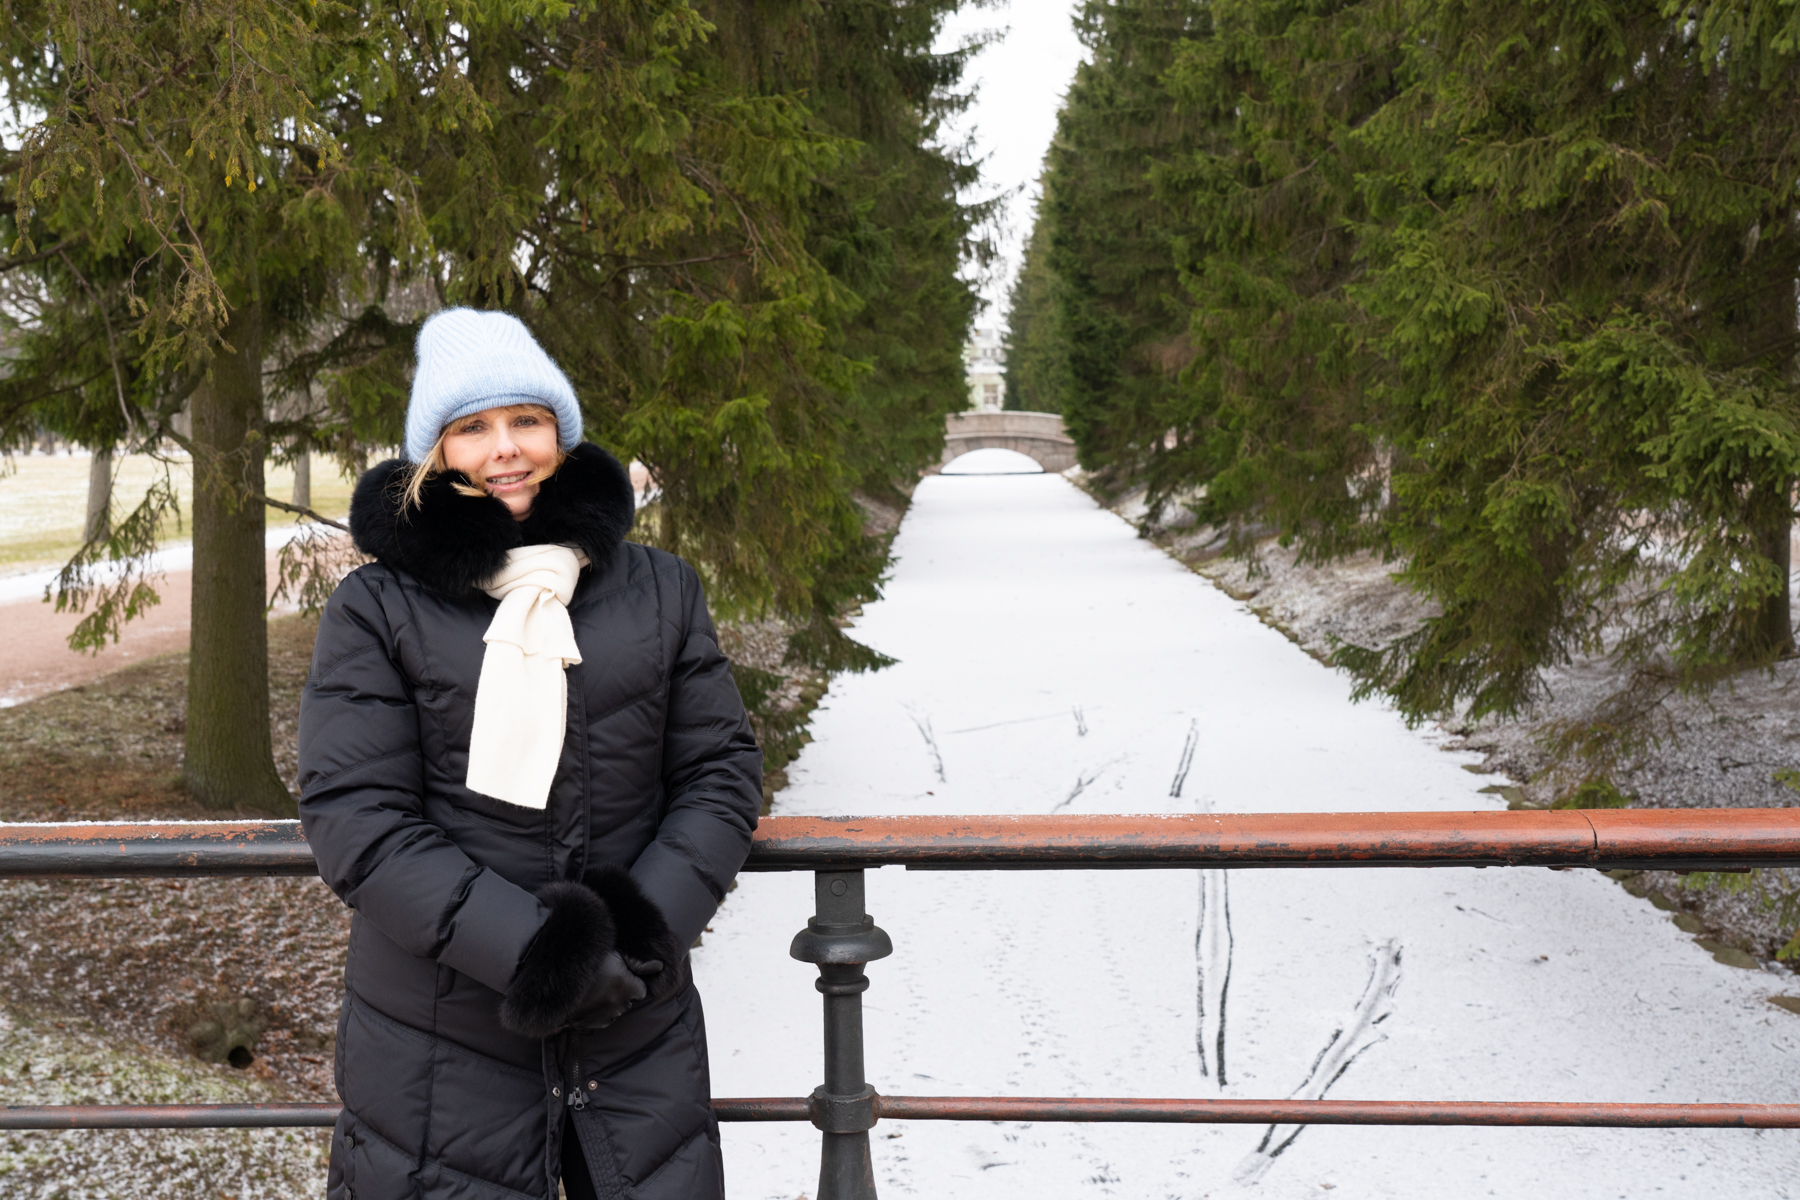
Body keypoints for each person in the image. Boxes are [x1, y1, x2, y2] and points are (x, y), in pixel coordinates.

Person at [297, 307, 761, 1200]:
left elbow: (719, 772)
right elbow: (358, 816)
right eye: (472, 428)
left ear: (562, 434)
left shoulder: (659, 588)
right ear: (435, 452)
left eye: (527, 421)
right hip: (438, 1038)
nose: (505, 448)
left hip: (636, 1027)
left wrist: (632, 939)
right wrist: (541, 957)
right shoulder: (377, 607)